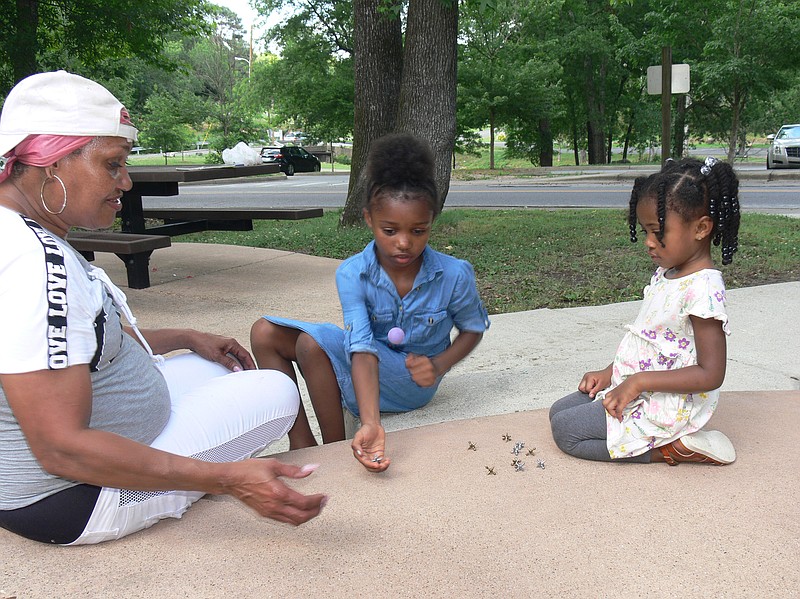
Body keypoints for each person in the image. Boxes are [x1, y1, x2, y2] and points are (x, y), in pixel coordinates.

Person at [0, 71, 326, 546]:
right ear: (51, 164)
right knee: (276, 392)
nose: (126, 182)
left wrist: (186, 337)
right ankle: (173, 486)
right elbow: (60, 449)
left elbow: (80, 340)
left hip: (64, 456)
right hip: (70, 497)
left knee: (217, 368)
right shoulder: (34, 264)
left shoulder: (17, 231)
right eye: (112, 165)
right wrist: (227, 479)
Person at [250, 133, 490, 471]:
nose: (404, 243)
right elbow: (361, 348)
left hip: (412, 382)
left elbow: (473, 328)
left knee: (310, 343)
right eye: (390, 231)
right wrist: (371, 419)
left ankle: (334, 450)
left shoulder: (454, 275)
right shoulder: (354, 273)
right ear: (369, 220)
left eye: (418, 231)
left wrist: (440, 364)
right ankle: (301, 440)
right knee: (264, 333)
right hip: (369, 369)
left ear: (432, 221)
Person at [549, 156, 741, 465]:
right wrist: (610, 373)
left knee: (567, 432)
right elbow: (652, 343)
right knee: (558, 411)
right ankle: (642, 432)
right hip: (642, 385)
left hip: (668, 401)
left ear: (701, 228)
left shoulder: (703, 290)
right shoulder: (668, 273)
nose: (649, 243)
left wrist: (636, 383)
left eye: (658, 231)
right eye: (644, 231)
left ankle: (669, 448)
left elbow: (711, 373)